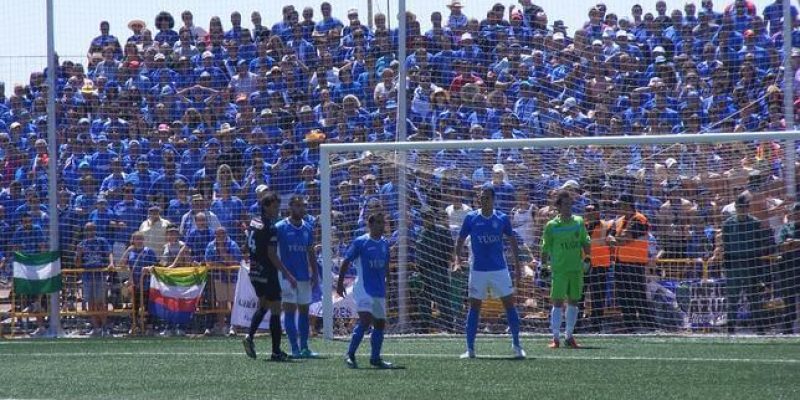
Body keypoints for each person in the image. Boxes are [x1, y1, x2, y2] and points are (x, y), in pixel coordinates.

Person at [453, 185, 525, 359]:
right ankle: (470, 349)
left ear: (493, 199)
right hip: (477, 270)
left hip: (499, 269)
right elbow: (460, 240)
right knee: (474, 306)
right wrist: (457, 261)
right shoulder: (471, 218)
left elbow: (512, 241)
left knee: (509, 304)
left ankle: (517, 345)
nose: (483, 200)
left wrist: (517, 265)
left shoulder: (502, 218)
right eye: (481, 197)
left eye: (486, 197)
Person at [242, 192, 297, 361]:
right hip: (267, 271)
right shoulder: (270, 227)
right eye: (274, 206)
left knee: (264, 304)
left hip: (254, 271)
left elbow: (247, 246)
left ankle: (250, 336)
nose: (277, 210)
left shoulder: (253, 222)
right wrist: (287, 274)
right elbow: (272, 254)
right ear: (266, 207)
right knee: (275, 308)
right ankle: (275, 351)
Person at [337, 212, 394, 369]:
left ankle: (375, 358)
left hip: (378, 289)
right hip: (363, 288)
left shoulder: (384, 244)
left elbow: (386, 266)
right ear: (370, 224)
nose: (382, 226)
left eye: (383, 223)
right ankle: (350, 354)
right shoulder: (361, 242)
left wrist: (389, 281)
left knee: (380, 324)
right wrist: (340, 283)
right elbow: (346, 261)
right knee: (366, 320)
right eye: (379, 223)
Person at [541, 191, 591, 348]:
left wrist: (588, 258)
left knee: (574, 302)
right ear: (558, 206)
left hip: (576, 269)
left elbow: (585, 241)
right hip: (559, 270)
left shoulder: (578, 222)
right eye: (565, 204)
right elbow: (545, 248)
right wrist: (543, 266)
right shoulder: (551, 226)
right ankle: (555, 338)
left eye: (570, 204)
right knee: (557, 302)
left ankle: (569, 336)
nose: (569, 207)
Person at [722, 192, 772, 334]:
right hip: (734, 266)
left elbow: (759, 247)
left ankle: (760, 329)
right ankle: (730, 329)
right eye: (740, 207)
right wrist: (726, 266)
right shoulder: (728, 224)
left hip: (750, 266)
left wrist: (759, 270)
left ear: (748, 208)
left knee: (754, 299)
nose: (742, 210)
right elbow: (726, 246)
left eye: (745, 207)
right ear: (736, 207)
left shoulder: (755, 223)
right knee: (732, 299)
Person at [275, 195, 319, 358]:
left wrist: (314, 273)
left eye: (303, 206)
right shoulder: (280, 227)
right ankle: (294, 348)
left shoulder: (307, 227)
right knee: (289, 311)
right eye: (299, 206)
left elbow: (310, 251)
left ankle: (305, 347)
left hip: (304, 276)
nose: (302, 209)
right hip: (287, 277)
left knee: (304, 311)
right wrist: (284, 273)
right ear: (291, 207)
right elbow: (273, 253)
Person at [610, 194, 654, 332]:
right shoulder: (619, 221)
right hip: (620, 263)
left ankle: (649, 327)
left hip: (635, 264)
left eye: (620, 205)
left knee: (638, 297)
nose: (617, 208)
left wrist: (614, 239)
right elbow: (610, 236)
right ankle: (631, 328)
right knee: (624, 298)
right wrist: (615, 238)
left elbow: (626, 239)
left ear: (627, 205)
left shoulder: (640, 219)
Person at [416, 208, 455, 332]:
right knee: (424, 299)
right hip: (423, 271)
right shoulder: (421, 233)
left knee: (442, 298)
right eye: (425, 217)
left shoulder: (442, 231)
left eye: (429, 217)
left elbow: (451, 248)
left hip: (439, 269)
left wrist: (451, 263)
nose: (427, 219)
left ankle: (449, 326)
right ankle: (424, 327)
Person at [74, 222, 114, 336]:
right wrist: (78, 253)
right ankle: (95, 327)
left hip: (99, 274)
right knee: (90, 302)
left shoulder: (101, 241)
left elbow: (109, 252)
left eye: (92, 229)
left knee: (100, 301)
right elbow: (77, 264)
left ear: (95, 230)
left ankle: (105, 327)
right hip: (87, 275)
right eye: (87, 230)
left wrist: (111, 263)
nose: (90, 232)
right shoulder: (81, 244)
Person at [777, 202, 800, 334]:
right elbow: (782, 245)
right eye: (795, 212)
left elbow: (789, 244)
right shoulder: (786, 227)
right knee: (789, 301)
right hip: (789, 269)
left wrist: (794, 242)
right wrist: (792, 244)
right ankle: (788, 329)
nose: (797, 214)